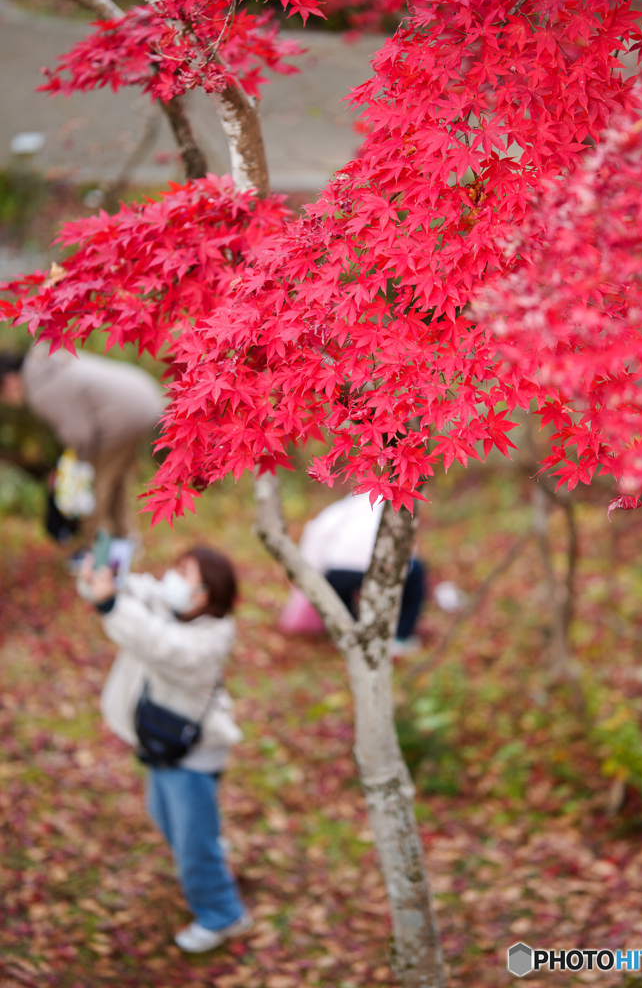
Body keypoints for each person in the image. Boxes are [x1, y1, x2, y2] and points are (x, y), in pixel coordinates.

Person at [78, 545, 253, 953]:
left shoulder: (210, 639)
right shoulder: (168, 605)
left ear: (206, 594)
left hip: (191, 754)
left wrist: (110, 603)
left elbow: (162, 645)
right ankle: (209, 851)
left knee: (192, 844)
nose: (171, 579)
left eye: (185, 573)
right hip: (160, 741)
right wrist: (100, 580)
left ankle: (223, 914)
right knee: (163, 815)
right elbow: (131, 593)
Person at [0, 344, 164, 543]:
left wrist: (72, 468)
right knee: (115, 478)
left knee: (94, 488)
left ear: (8, 382)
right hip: (142, 395)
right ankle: (126, 538)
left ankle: (95, 550)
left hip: (123, 416)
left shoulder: (38, 388)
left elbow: (81, 435)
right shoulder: (47, 362)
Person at [296, 492, 426, 654]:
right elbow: (406, 540)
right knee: (415, 580)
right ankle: (400, 636)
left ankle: (349, 633)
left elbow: (319, 529)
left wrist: (314, 570)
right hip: (383, 563)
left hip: (340, 564)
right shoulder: (399, 502)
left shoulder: (352, 501)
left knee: (340, 594)